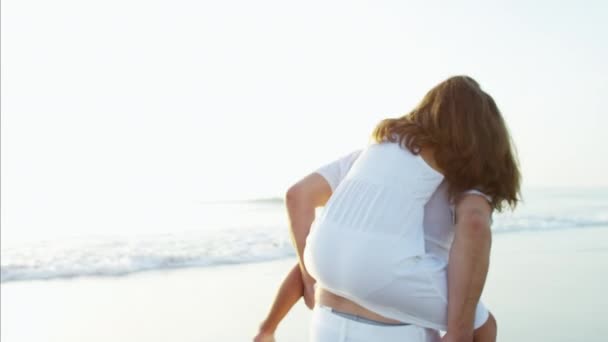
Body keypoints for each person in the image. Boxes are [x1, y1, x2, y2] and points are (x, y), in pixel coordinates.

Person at [254, 75, 520, 342]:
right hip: (395, 319)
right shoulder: (464, 179)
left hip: (327, 319)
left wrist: (305, 277)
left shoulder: (370, 157)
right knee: (485, 328)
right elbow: (474, 224)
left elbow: (296, 195)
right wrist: (458, 331)